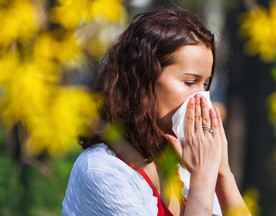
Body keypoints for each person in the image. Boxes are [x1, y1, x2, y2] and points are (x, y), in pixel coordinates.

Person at [62, 8, 251, 216]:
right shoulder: (102, 171)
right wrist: (203, 176)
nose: (202, 99)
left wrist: (222, 173)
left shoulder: (182, 162)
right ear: (143, 80)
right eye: (190, 82)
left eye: (205, 85)